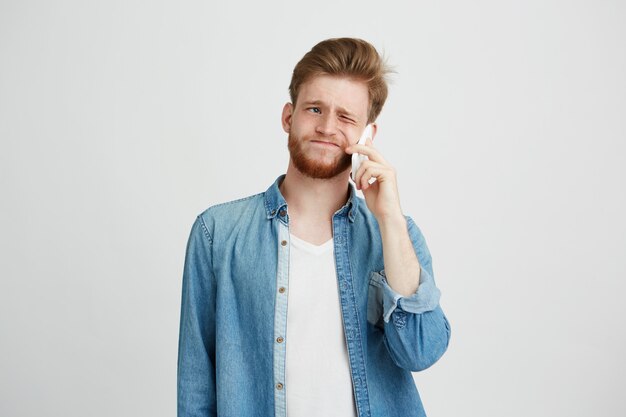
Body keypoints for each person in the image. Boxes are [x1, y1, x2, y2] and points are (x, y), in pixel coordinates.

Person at [177, 37, 451, 417]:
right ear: (289, 116)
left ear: (367, 135)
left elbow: (421, 352)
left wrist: (389, 218)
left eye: (345, 117)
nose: (326, 127)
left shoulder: (397, 234)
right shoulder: (216, 234)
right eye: (315, 109)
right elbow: (196, 386)